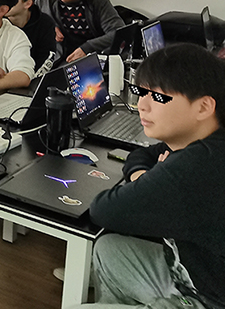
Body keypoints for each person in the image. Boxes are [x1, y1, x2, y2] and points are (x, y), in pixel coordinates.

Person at [72, 43, 225, 309]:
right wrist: (146, 176)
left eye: (158, 97)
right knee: (110, 249)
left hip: (209, 300)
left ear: (203, 107)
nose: (142, 105)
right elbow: (142, 154)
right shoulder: (206, 138)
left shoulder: (199, 167)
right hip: (195, 274)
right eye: (142, 93)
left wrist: (157, 177)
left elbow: (104, 210)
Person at [36, 0, 125, 63]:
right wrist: (48, 26)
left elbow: (120, 32)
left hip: (90, 57)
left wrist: (88, 48)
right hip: (55, 57)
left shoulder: (98, 1)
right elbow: (27, 20)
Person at [6, 0, 57, 71]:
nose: (2, 1)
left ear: (28, 3)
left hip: (28, 75)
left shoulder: (45, 24)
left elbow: (45, 60)